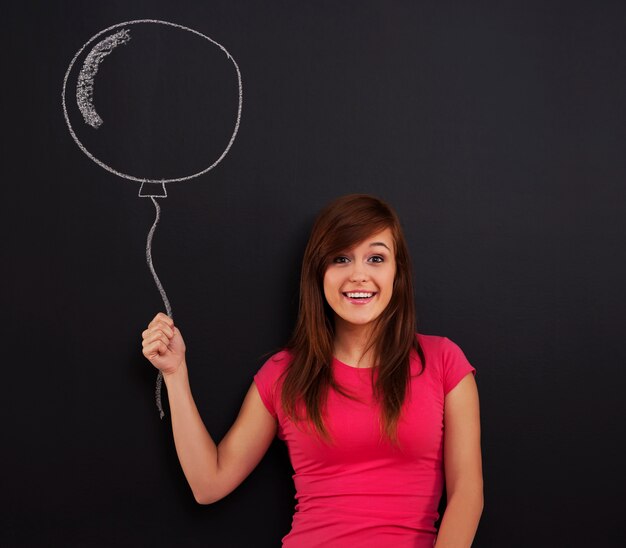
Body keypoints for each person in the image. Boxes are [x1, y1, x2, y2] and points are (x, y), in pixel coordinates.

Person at [142, 194, 483, 547]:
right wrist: (174, 373)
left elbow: (467, 494)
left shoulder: (443, 361)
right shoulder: (284, 374)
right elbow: (208, 484)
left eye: (376, 258)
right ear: (319, 273)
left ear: (398, 272)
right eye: (341, 259)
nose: (359, 275)